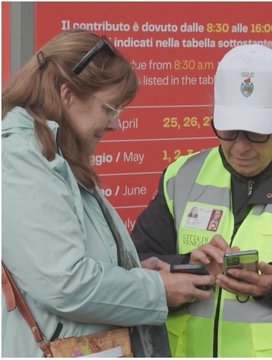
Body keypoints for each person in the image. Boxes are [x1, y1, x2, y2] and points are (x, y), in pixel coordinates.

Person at [1, 30, 213, 357]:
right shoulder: (22, 160)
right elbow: (65, 284)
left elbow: (76, 264)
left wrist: (144, 272)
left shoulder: (53, 156)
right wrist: (157, 290)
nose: (115, 123)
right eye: (110, 108)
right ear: (68, 94)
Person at [131, 44, 272, 357]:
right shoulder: (181, 176)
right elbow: (134, 266)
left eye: (257, 133)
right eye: (229, 131)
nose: (240, 148)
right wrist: (187, 265)